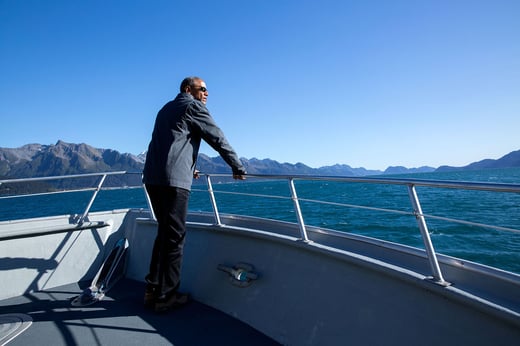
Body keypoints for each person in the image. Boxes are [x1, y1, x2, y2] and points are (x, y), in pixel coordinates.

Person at [142, 76, 246, 312]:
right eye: (203, 89)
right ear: (189, 90)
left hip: (153, 178)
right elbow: (216, 136)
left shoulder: (166, 108)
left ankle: (152, 290)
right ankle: (167, 297)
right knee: (175, 239)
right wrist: (237, 166)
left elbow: (168, 143)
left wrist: (189, 166)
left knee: (164, 235)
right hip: (172, 183)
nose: (207, 93)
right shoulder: (192, 105)